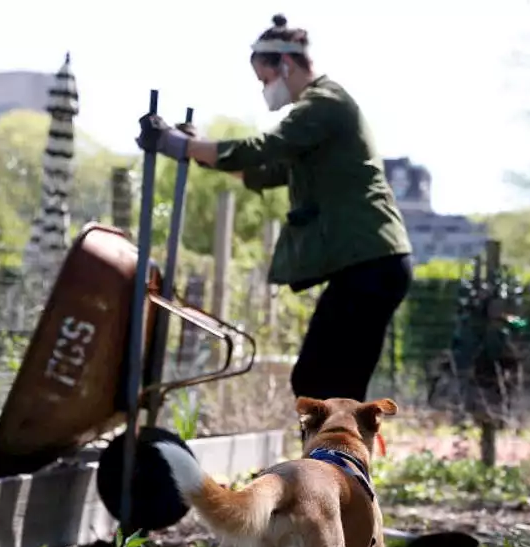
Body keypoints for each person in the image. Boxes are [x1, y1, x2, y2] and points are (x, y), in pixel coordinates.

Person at [136, 14, 413, 404]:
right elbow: (267, 172)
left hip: (370, 263)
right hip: (373, 264)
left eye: (265, 79)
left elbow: (264, 148)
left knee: (320, 382)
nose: (265, 90)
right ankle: (336, 463)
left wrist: (177, 145)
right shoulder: (319, 113)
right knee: (331, 386)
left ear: (285, 64)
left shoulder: (322, 103)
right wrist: (200, 149)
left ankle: (331, 464)